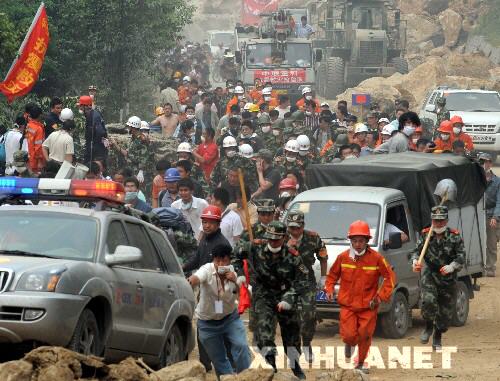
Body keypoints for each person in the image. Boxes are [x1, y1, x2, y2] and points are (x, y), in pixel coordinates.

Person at [233, 221, 308, 379]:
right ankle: (271, 367)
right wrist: (240, 272)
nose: (272, 242)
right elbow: (236, 254)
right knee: (264, 333)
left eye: (276, 239)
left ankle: (295, 365)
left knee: (292, 335)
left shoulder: (293, 255)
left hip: (285, 293)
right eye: (270, 239)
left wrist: (289, 298)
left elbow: (302, 280)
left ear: (283, 238)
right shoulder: (255, 246)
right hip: (264, 293)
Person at [325, 220, 395, 374]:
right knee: (349, 335)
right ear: (350, 240)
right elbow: (331, 276)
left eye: (361, 241)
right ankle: (349, 344)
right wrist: (329, 289)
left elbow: (389, 278)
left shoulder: (376, 258)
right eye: (355, 241)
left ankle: (361, 363)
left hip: (368, 306)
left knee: (365, 334)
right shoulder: (343, 257)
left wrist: (380, 296)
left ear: (367, 241)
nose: (357, 244)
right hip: (348, 306)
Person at [187, 244, 251, 377]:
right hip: (207, 323)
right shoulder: (206, 269)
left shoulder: (236, 272)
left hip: (230, 318)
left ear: (230, 260)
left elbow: (248, 293)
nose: (221, 264)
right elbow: (196, 278)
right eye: (217, 261)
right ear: (213, 260)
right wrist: (188, 282)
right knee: (219, 360)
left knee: (242, 346)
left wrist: (235, 280)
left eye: (224, 260)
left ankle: (246, 377)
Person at [412, 206, 465, 351]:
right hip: (430, 273)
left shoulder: (454, 236)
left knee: (445, 312)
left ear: (446, 220)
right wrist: (415, 262)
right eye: (436, 221)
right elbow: (416, 252)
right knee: (429, 301)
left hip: (448, 276)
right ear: (432, 220)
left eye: (441, 221)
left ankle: (437, 336)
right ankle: (428, 327)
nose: (439, 224)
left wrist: (452, 266)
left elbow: (461, 256)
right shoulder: (425, 234)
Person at [286, 210, 328, 363]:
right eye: (291, 228)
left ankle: (307, 343)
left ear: (303, 226)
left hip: (307, 281)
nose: (295, 231)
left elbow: (323, 257)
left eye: (297, 227)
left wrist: (323, 277)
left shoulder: (313, 237)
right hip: (287, 282)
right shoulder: (281, 238)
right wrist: (287, 247)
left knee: (309, 315)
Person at [480, 153, 500, 277]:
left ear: (490, 163)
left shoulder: (497, 182)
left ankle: (490, 267)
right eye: (481, 162)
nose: (484, 164)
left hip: (490, 214)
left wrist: (495, 217)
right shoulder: (475, 180)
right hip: (477, 214)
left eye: (486, 162)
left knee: (491, 243)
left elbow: (499, 201)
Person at [79, 95, 108, 167]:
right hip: (92, 148)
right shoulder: (89, 115)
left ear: (87, 106)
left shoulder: (95, 116)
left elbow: (101, 133)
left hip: (96, 150)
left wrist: (93, 148)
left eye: (81, 106)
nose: (80, 108)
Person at [26, 104, 46, 173]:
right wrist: (40, 161)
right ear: (40, 115)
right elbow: (38, 146)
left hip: (30, 157)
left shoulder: (29, 125)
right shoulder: (39, 129)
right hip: (36, 161)